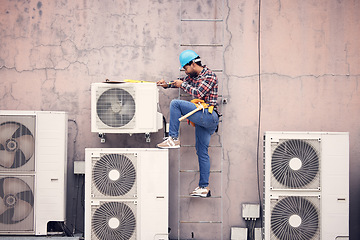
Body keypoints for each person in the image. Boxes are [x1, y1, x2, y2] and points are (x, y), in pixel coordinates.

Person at [156, 50, 219, 197]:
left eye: (185, 68)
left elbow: (198, 94)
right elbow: (179, 82)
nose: (185, 71)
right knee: (201, 152)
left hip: (209, 116)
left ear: (192, 63)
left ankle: (173, 138)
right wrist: (167, 85)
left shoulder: (209, 76)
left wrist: (182, 84)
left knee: (176, 104)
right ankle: (204, 187)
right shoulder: (193, 76)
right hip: (203, 119)